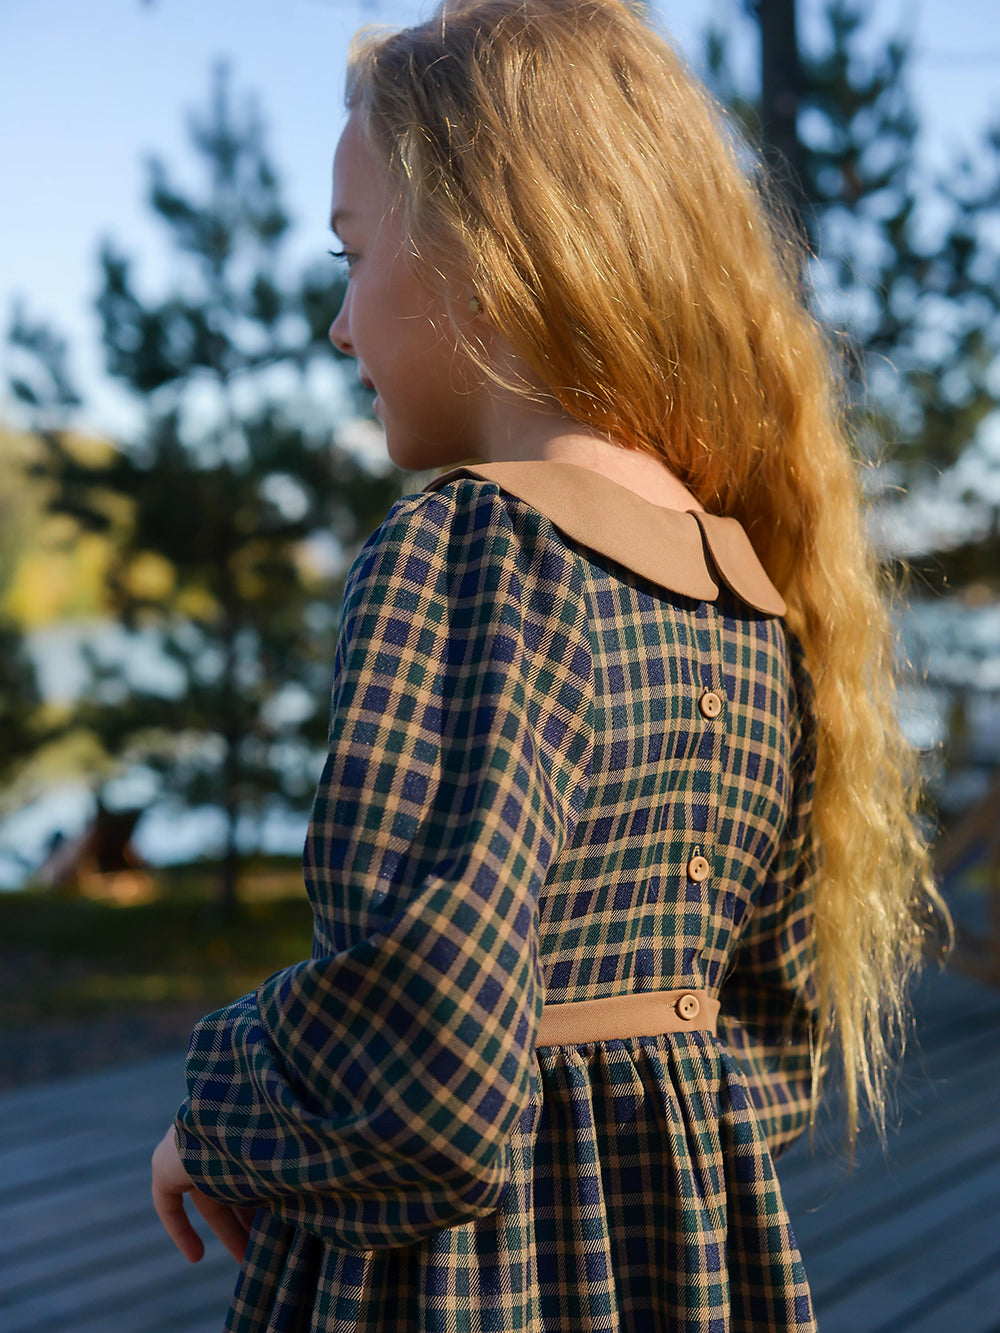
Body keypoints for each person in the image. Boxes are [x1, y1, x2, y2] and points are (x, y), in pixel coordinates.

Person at [151, 1, 955, 1328]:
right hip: (687, 1273)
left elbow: (427, 1070)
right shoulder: (746, 587)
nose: (339, 329)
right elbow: (768, 1050)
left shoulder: (474, 552)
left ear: (487, 249)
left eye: (351, 258)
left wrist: (222, 1106)